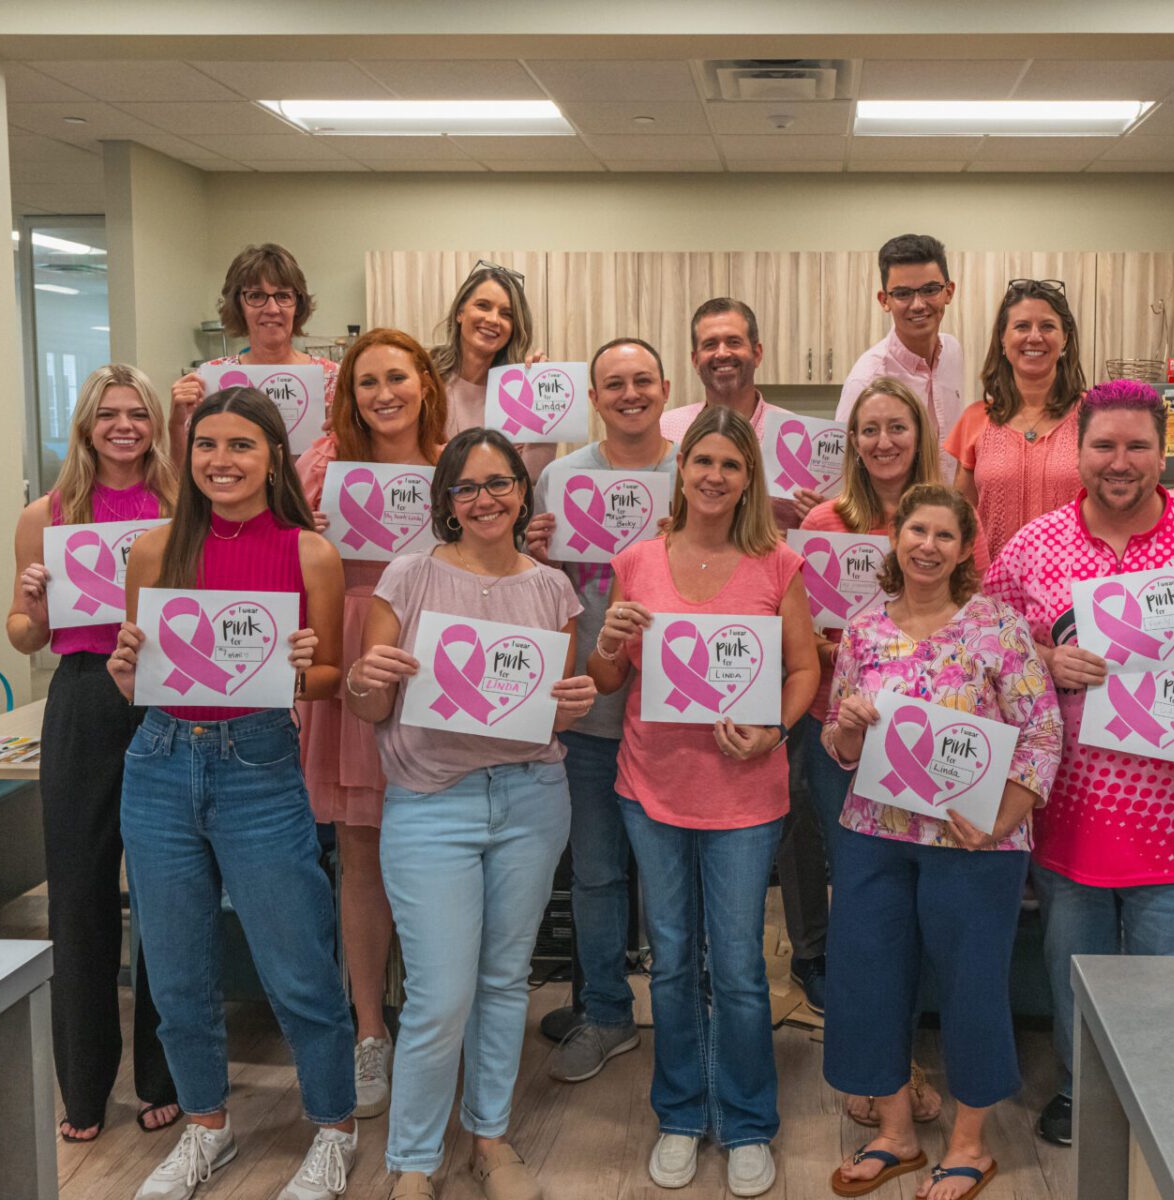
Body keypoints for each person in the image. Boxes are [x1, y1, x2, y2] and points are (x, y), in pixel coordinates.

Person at [984, 378, 1174, 1148]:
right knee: (1074, 976)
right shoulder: (1032, 547)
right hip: (1069, 816)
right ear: (1077, 451)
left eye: (1138, 446)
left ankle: (1169, 1112)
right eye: (1104, 446)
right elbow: (988, 654)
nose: (1120, 462)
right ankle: (1083, 1092)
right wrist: (1046, 661)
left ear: (1164, 451)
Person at [107, 387, 357, 1200]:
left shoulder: (309, 552)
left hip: (257, 766)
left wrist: (302, 664)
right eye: (207, 444)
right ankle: (205, 1128)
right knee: (175, 973)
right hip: (158, 761)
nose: (222, 460)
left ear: (274, 457)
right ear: (189, 454)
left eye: (242, 445)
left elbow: (326, 681)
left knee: (298, 966)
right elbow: (136, 672)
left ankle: (333, 1127)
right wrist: (121, 669)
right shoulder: (151, 551)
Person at [344, 429, 596, 1200]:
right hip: (430, 802)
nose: (484, 499)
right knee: (439, 991)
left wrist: (577, 704)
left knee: (504, 979)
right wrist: (363, 675)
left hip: (530, 798)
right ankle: (413, 1160)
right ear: (445, 503)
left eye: (500, 484)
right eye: (467, 487)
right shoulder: (409, 575)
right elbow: (369, 704)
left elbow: (551, 718)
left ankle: (490, 1137)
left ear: (524, 493)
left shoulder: (554, 588)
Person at [586, 406, 818, 1197]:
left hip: (747, 796)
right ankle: (682, 1113)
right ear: (680, 473)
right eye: (702, 462)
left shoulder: (777, 563)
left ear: (749, 476)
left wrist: (776, 731)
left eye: (730, 464)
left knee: (744, 966)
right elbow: (611, 681)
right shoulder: (636, 559)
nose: (714, 476)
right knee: (675, 962)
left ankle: (748, 1122)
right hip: (651, 786)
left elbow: (802, 672)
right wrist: (608, 642)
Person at [821, 485, 1062, 1200]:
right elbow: (837, 743)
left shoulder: (999, 628)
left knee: (971, 982)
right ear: (896, 541)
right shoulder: (864, 630)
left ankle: (969, 1145)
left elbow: (1043, 731)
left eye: (943, 536)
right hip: (875, 832)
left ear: (963, 551)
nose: (927, 546)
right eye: (915, 531)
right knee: (869, 974)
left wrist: (1000, 818)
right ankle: (894, 1134)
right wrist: (850, 730)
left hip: (975, 841)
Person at [6, 364, 179, 1143]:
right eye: (108, 413)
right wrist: (34, 605)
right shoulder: (47, 512)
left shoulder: (182, 503)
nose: (123, 426)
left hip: (167, 691)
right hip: (81, 696)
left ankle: (163, 1075)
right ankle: (82, 1087)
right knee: (77, 894)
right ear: (85, 424)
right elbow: (23, 635)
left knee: (166, 896)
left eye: (137, 413)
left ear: (154, 423)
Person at [294, 329, 448, 1119]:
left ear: (424, 381)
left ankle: (433, 1025)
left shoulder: (459, 465)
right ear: (347, 397)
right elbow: (278, 560)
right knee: (360, 853)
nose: (383, 393)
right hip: (355, 647)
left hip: (441, 656)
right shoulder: (320, 466)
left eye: (396, 376)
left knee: (439, 848)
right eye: (365, 383)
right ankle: (368, 1032)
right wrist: (308, 537)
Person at [521, 337, 677, 1080]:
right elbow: (537, 591)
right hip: (587, 708)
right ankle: (607, 1012)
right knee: (594, 874)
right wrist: (534, 554)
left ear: (665, 386)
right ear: (594, 396)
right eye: (613, 383)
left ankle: (683, 1010)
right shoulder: (558, 478)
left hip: (678, 713)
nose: (629, 393)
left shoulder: (695, 470)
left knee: (676, 877)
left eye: (642, 380)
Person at [796, 376, 944, 1126]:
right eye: (868, 430)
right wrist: (824, 646)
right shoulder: (825, 521)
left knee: (916, 903)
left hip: (933, 742)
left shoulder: (944, 517)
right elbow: (803, 630)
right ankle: (871, 1060)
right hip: (843, 737)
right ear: (851, 443)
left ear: (921, 433)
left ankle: (909, 1054)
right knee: (860, 903)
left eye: (897, 427)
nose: (883, 442)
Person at [946, 278, 1088, 568]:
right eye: (1022, 326)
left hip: (1074, 592)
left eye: (1047, 326)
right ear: (1002, 337)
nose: (1034, 337)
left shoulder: (1095, 416)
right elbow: (961, 518)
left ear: (1065, 338)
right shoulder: (975, 420)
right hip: (993, 592)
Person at [659, 296, 820, 530]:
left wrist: (822, 515)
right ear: (695, 360)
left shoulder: (798, 439)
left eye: (733, 342)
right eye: (710, 344)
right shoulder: (665, 430)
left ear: (757, 353)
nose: (722, 353)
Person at [169, 243, 339, 458]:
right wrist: (176, 422)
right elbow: (184, 471)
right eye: (256, 296)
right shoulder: (210, 379)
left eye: (283, 296)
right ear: (238, 304)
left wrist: (347, 433)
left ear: (298, 304)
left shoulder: (333, 378)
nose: (272, 309)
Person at [833, 234, 966, 482]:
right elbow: (842, 473)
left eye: (929, 290)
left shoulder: (953, 353)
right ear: (885, 300)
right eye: (903, 293)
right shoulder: (867, 380)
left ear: (948, 292)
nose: (918, 304)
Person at [430, 259, 557, 480]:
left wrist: (543, 398)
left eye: (506, 314)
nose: (493, 320)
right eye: (483, 306)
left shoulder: (518, 395)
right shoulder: (426, 378)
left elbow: (529, 479)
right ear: (460, 312)